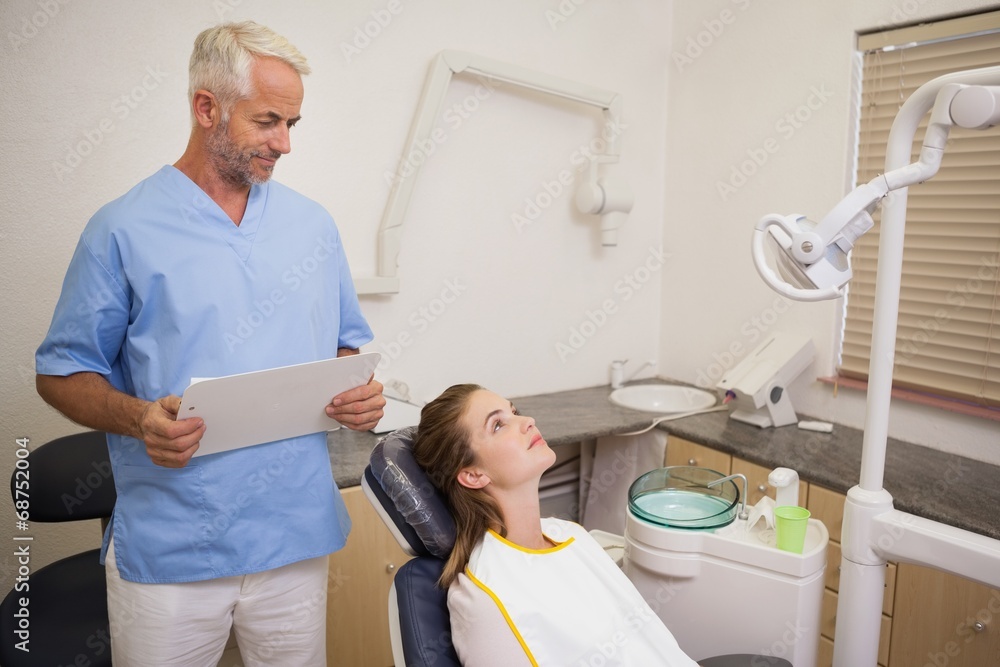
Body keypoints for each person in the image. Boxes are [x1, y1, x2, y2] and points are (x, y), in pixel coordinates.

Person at [34, 21, 384, 666]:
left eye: (292, 124)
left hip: (293, 533)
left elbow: (346, 352)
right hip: (175, 544)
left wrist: (360, 398)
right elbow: (60, 374)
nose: (284, 144)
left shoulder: (312, 226)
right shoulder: (122, 229)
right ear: (207, 108)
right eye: (267, 121)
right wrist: (138, 417)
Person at [413, 384, 700, 667]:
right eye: (498, 425)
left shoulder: (570, 534)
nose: (527, 421)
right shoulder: (485, 595)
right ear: (473, 475)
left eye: (515, 412)